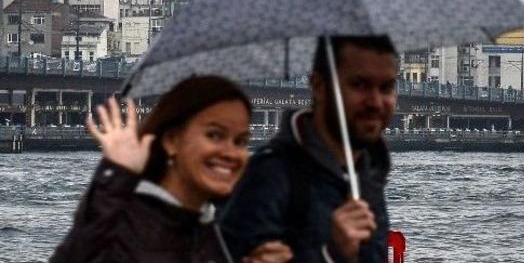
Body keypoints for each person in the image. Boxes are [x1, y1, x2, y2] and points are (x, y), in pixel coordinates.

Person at [52, 75, 292, 263]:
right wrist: (115, 175)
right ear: (172, 140)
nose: (231, 153)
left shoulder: (213, 231)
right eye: (215, 135)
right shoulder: (125, 226)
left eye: (240, 141)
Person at [222, 36, 397, 263]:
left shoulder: (370, 177)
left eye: (386, 87)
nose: (375, 101)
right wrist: (332, 254)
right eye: (359, 85)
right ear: (319, 87)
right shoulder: (270, 176)